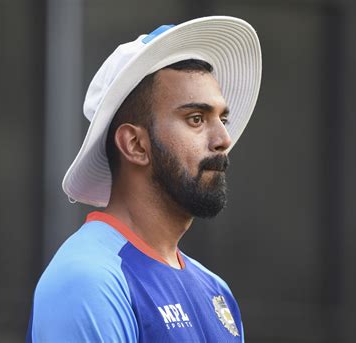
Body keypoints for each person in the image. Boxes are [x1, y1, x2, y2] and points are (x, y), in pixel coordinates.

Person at [27, 16, 261, 342]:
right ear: (135, 145)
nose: (224, 138)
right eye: (196, 118)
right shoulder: (88, 279)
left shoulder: (214, 290)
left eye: (221, 118)